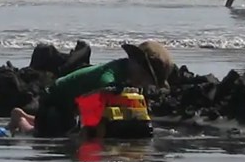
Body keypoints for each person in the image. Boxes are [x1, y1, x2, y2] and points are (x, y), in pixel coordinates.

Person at [9, 41, 175, 136]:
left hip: (75, 103)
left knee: (68, 126)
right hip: (56, 97)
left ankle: (30, 117)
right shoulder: (115, 69)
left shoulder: (131, 79)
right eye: (145, 77)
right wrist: (114, 87)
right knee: (44, 135)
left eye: (150, 82)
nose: (144, 83)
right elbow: (104, 83)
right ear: (134, 62)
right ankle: (22, 120)